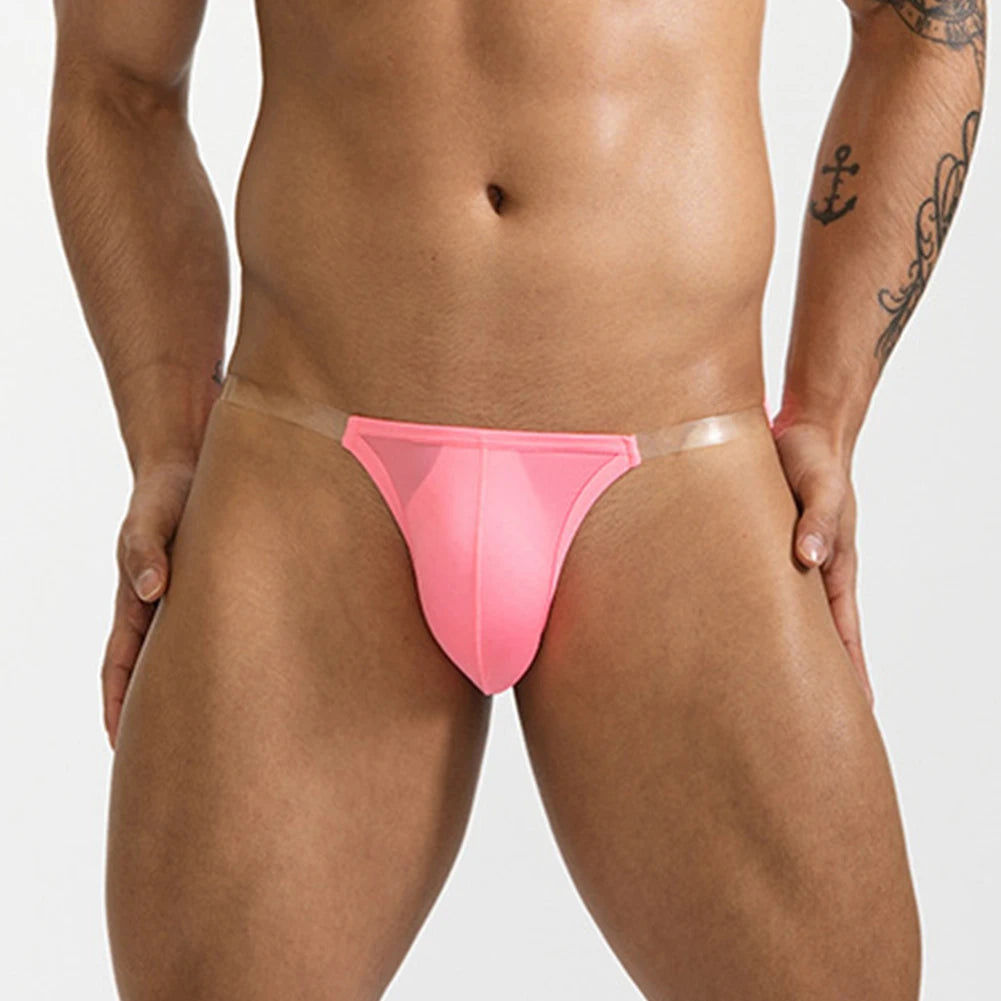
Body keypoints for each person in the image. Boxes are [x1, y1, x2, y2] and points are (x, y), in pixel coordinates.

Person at [47, 0, 984, 998]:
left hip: (672, 472)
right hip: (310, 468)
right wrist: (164, 443)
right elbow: (117, 83)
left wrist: (826, 414)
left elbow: (924, 26)